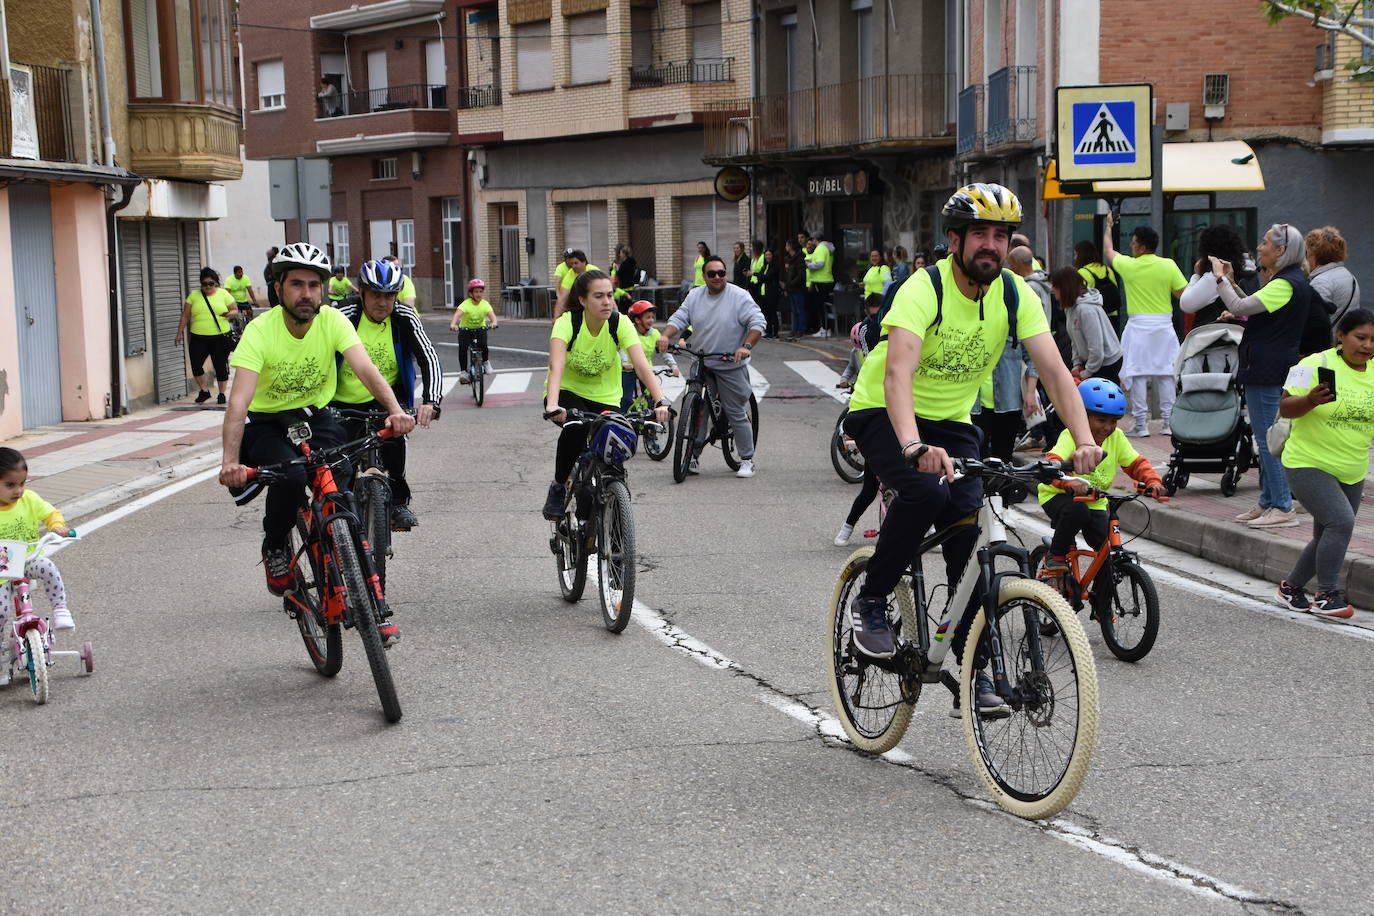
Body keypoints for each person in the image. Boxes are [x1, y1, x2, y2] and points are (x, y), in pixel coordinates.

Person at [841, 182, 1102, 717]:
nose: (991, 244)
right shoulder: (924, 288)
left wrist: (1084, 440)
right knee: (926, 492)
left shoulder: (1015, 294)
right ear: (955, 240)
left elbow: (1055, 372)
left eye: (1000, 236)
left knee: (969, 528)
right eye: (979, 233)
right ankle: (871, 599)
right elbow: (897, 373)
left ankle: (974, 668)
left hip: (954, 421)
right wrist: (912, 445)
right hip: (884, 412)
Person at [218, 242, 416, 604]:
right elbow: (239, 401)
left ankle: (345, 550)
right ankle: (275, 546)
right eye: (297, 284)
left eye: (313, 285)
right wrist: (230, 461)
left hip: (316, 416)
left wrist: (395, 410)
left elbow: (366, 369)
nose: (306, 293)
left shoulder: (333, 321)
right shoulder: (260, 331)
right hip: (267, 422)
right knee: (291, 477)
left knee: (339, 478)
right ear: (279, 288)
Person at [541, 272, 671, 519]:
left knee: (614, 450)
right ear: (583, 300)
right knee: (576, 429)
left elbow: (641, 365)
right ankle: (558, 486)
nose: (607, 302)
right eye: (598, 296)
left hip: (606, 396)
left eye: (610, 295)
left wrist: (660, 400)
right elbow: (556, 364)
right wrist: (553, 404)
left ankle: (613, 517)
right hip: (568, 393)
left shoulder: (619, 323)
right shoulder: (567, 323)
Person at [1211, 223, 1312, 529]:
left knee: (1269, 440)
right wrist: (1231, 281)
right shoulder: (1288, 280)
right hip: (1270, 365)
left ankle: (1281, 505)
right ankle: (1268, 500)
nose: (1259, 247)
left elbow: (1238, 306)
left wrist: (1219, 278)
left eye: (1266, 242)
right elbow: (1251, 306)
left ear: (1281, 250)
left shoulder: (1285, 283)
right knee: (1266, 437)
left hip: (1266, 368)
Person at [1275, 307, 1374, 618]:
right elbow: (1285, 408)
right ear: (1341, 336)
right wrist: (1309, 401)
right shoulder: (1314, 364)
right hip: (1308, 462)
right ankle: (1327, 594)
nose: (1367, 345)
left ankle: (1291, 588)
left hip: (1352, 467)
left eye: (1373, 340)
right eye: (1360, 337)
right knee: (1341, 523)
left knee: (1328, 533)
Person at [333, 257, 444, 534]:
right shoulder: (343, 315)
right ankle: (340, 513)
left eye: (390, 296)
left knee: (395, 439)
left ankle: (397, 502)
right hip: (341, 399)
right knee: (339, 463)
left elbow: (428, 358)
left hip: (388, 397)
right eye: (376, 295)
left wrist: (431, 401)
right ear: (361, 292)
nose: (383, 303)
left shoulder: (404, 317)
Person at [1037, 378, 1165, 581]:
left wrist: (1152, 481)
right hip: (1058, 495)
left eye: (1113, 421)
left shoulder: (1117, 437)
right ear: (1082, 416)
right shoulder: (1071, 435)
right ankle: (1056, 555)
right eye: (1101, 420)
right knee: (1077, 511)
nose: (1107, 427)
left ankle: (1102, 600)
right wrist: (1070, 482)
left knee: (1107, 551)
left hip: (1095, 501)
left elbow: (1135, 463)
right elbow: (1052, 461)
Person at [657, 255, 766, 478]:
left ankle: (747, 459)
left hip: (730, 363)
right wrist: (666, 335)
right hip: (701, 362)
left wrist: (746, 346)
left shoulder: (739, 296)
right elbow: (680, 318)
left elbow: (757, 323)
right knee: (697, 411)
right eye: (712, 274)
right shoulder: (695, 295)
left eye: (721, 273)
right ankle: (692, 456)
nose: (717, 277)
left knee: (735, 411)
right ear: (704, 276)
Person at [1103, 213, 1187, 437]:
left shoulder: (1129, 266)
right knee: (1166, 373)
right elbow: (1183, 294)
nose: (1131, 245)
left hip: (1138, 327)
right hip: (1163, 326)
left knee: (1137, 374)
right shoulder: (1168, 265)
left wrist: (1108, 227)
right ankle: (1168, 422)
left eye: (1133, 242)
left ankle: (1141, 424)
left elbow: (1108, 251)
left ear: (1141, 246)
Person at [0, 447, 75, 632]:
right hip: (2, 569)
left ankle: (60, 608)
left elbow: (50, 513)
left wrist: (57, 526)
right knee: (1, 611)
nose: (18, 490)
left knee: (48, 567)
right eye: (10, 485)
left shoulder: (29, 499)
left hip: (28, 559)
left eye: (22, 483)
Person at [175, 267, 240, 405]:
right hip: (198, 337)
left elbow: (235, 310)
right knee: (196, 365)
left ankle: (221, 394)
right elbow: (185, 315)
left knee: (220, 365)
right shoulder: (193, 296)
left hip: (220, 336)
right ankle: (204, 391)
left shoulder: (223, 294)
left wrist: (228, 314)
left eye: (211, 283)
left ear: (216, 283)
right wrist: (179, 332)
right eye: (204, 284)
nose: (208, 287)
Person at [1051, 266, 1123, 383]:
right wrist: (1077, 363)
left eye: (1055, 286)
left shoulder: (1086, 310)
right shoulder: (1070, 307)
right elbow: (1075, 339)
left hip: (1107, 363)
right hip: (1093, 362)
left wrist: (1087, 372)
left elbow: (1096, 347)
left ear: (1065, 287)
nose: (1052, 289)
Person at [1179, 224, 1251, 330]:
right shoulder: (1245, 270)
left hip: (1215, 335)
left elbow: (1186, 304)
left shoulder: (1215, 277)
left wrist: (1196, 275)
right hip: (1241, 335)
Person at [620, 300, 679, 409]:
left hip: (646, 371)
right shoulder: (629, 332)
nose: (651, 320)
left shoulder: (654, 333)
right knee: (626, 400)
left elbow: (664, 351)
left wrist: (673, 365)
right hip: (628, 371)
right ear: (637, 320)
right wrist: (624, 363)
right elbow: (622, 349)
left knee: (654, 398)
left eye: (652, 317)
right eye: (648, 317)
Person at [1305, 226, 1361, 324]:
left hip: (1328, 334)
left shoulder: (1321, 281)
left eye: (1307, 252)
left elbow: (1314, 321)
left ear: (1314, 254)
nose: (1305, 257)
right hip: (1343, 332)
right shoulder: (1349, 276)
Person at [451, 278, 499, 383]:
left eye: (481, 291)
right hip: (465, 330)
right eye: (476, 292)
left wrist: (494, 323)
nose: (479, 294)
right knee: (463, 348)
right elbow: (457, 315)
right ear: (471, 293)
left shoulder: (485, 304)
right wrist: (453, 324)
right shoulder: (466, 304)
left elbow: (492, 316)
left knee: (483, 345)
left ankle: (485, 362)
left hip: (480, 329)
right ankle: (463, 372)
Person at [553, 249, 599, 319]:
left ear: (584, 262)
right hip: (577, 305)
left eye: (576, 263)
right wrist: (556, 318)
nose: (573, 266)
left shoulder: (593, 271)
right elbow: (562, 299)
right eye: (571, 264)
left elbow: (606, 292)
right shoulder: (569, 275)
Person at [804, 234, 835, 337]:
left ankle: (825, 329)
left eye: (812, 240)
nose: (811, 242)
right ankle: (825, 328)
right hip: (825, 280)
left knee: (822, 307)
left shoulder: (820, 248)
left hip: (821, 281)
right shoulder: (825, 248)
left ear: (815, 240)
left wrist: (808, 265)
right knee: (823, 306)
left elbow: (820, 263)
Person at [783, 239, 807, 339]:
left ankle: (800, 330)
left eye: (787, 245)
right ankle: (794, 329)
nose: (786, 247)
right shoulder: (789, 259)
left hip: (798, 288)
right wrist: (786, 287)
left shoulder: (799, 259)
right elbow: (788, 275)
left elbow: (801, 275)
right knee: (794, 310)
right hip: (791, 289)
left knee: (799, 310)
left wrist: (791, 284)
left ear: (791, 247)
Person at [756, 247, 779, 339]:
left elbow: (767, 277)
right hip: (763, 292)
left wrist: (756, 274)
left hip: (772, 292)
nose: (767, 257)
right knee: (766, 313)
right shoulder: (765, 266)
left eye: (769, 255)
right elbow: (762, 278)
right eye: (766, 255)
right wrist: (760, 276)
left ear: (772, 256)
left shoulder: (775, 266)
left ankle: (775, 332)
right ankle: (768, 331)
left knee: (773, 312)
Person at [611, 244, 639, 312]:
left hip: (624, 287)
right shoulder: (632, 262)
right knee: (629, 304)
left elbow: (620, 274)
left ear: (624, 254)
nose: (620, 255)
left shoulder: (624, 264)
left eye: (621, 253)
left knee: (624, 306)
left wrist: (617, 269)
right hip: (631, 286)